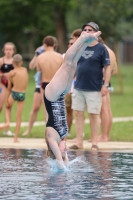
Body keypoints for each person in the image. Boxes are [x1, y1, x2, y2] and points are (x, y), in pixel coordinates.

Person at [37, 30, 101, 169]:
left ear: (56, 150)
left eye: (63, 151)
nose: (66, 150)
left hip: (52, 96)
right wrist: (66, 161)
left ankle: (81, 39)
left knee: (66, 63)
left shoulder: (52, 138)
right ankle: (87, 43)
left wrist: (62, 165)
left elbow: (60, 162)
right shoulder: (62, 137)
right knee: (73, 64)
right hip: (60, 96)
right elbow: (64, 158)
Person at [70, 22, 111, 151]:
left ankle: (94, 142)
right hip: (79, 87)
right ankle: (79, 142)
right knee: (78, 113)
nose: (87, 31)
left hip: (94, 87)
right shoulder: (80, 47)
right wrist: (71, 84)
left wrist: (105, 85)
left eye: (90, 29)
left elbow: (107, 67)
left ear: (96, 32)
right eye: (85, 29)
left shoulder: (102, 49)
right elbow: (73, 66)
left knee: (93, 114)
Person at [22, 37, 58, 136]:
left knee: (47, 109)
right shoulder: (40, 55)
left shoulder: (55, 56)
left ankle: (47, 132)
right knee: (35, 108)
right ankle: (28, 129)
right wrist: (36, 55)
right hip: (40, 85)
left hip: (46, 84)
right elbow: (31, 66)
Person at [1, 54, 28, 142]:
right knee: (18, 117)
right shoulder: (25, 70)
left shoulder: (11, 73)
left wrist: (6, 100)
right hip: (22, 94)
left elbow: (9, 88)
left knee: (8, 107)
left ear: (12, 62)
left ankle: (8, 122)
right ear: (21, 62)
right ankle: (15, 138)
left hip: (14, 93)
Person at [98, 36, 117, 142]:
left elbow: (106, 69)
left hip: (102, 81)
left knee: (103, 110)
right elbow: (114, 70)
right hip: (106, 81)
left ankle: (104, 136)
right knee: (107, 110)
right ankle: (106, 134)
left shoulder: (103, 50)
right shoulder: (110, 51)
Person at [64, 29, 82, 135]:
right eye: (70, 43)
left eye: (73, 42)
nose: (71, 44)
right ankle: (68, 131)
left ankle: (80, 133)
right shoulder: (65, 56)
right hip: (68, 87)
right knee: (69, 110)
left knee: (79, 111)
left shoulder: (82, 54)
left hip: (78, 87)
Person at [0, 42, 16, 135]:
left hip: (11, 86)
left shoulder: (15, 61)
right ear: (4, 50)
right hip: (2, 85)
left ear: (13, 51)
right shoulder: (1, 61)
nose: (8, 51)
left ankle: (7, 129)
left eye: (10, 49)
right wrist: (4, 75)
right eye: (7, 49)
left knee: (8, 106)